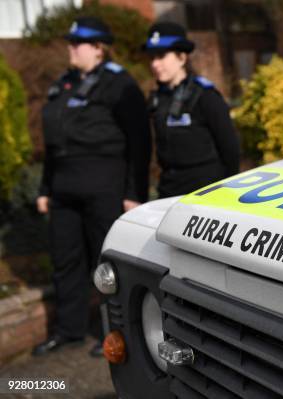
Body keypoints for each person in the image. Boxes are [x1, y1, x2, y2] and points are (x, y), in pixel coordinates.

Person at [33, 16, 151, 357]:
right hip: (64, 189)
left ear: (98, 48)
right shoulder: (63, 84)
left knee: (108, 265)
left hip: (105, 186)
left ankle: (113, 332)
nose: (70, 48)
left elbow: (139, 142)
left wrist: (134, 193)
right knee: (65, 260)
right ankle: (68, 330)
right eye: (70, 42)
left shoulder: (117, 84)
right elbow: (54, 145)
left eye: (77, 43)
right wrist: (45, 188)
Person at [143, 22, 240, 198]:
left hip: (205, 193)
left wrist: (226, 192)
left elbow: (230, 149)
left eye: (161, 56)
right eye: (152, 57)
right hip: (169, 192)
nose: (155, 64)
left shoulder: (205, 96)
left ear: (182, 57)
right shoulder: (157, 98)